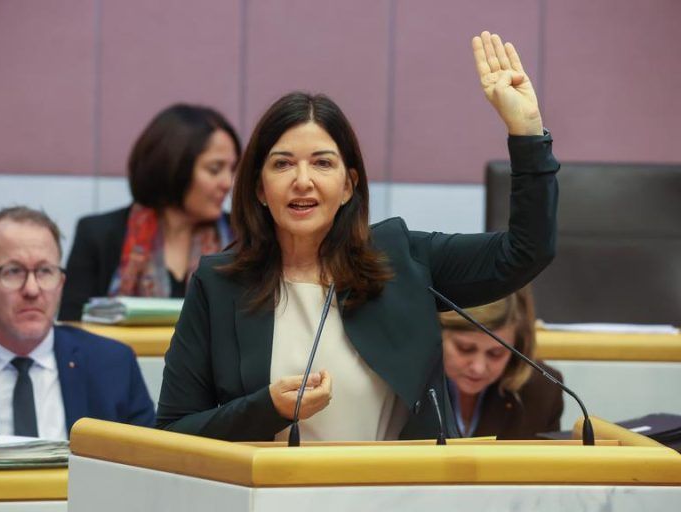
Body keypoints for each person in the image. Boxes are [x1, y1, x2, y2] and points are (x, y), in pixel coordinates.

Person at [155, 32, 559, 442]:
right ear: (259, 188)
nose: (303, 181)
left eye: (322, 163)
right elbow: (173, 431)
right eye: (282, 164)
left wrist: (526, 134)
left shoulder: (401, 260)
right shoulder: (220, 283)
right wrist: (268, 409)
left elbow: (525, 252)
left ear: (348, 185)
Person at [0, 207, 155, 438]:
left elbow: (149, 468)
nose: (32, 289)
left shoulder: (113, 365)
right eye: (13, 271)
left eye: (45, 271)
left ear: (61, 284)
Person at [59, 104, 241, 321]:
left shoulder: (242, 237)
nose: (227, 183)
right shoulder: (99, 235)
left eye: (232, 169)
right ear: (174, 166)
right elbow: (71, 329)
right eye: (214, 169)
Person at [440, 287, 563, 439]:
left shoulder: (542, 389)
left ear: (516, 346)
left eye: (496, 354)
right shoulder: (405, 386)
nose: (478, 368)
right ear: (436, 335)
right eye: (465, 349)